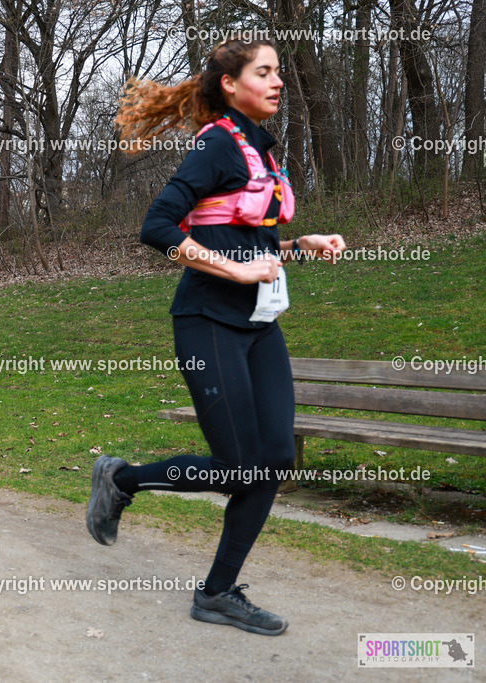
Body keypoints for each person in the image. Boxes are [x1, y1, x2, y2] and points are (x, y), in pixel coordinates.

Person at [86, 39, 345, 636]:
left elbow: (244, 241)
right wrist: (235, 271)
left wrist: (298, 246)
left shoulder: (261, 150)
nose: (278, 82)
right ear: (230, 83)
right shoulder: (216, 144)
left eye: (279, 72)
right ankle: (120, 479)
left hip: (258, 327)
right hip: (207, 323)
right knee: (236, 468)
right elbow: (156, 228)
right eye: (264, 72)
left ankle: (218, 593)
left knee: (273, 460)